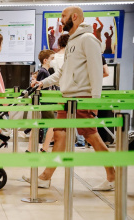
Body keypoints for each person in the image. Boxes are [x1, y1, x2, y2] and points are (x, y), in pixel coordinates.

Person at [30, 6, 115, 191]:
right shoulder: (71, 42)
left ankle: (112, 176)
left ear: (74, 17)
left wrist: (95, 101)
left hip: (81, 97)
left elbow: (96, 71)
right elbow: (61, 73)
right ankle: (45, 177)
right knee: (60, 134)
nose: (61, 20)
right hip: (68, 97)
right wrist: (42, 83)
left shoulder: (88, 40)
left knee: (91, 136)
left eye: (63, 16)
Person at [26, 50, 56, 153]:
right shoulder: (44, 72)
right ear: (45, 60)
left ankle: (31, 149)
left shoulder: (43, 71)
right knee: (52, 125)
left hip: (43, 103)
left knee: (37, 126)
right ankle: (45, 148)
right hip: (44, 103)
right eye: (52, 58)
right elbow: (40, 88)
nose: (54, 61)